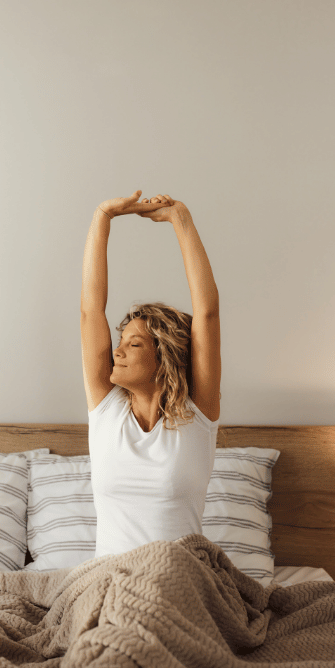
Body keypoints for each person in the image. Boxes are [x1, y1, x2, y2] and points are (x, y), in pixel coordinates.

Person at [80, 190, 221, 558]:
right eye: (120, 341)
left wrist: (182, 221)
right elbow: (90, 310)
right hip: (109, 588)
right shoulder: (105, 409)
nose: (118, 351)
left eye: (135, 344)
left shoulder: (197, 414)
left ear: (165, 358)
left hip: (181, 583)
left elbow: (206, 314)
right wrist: (102, 218)